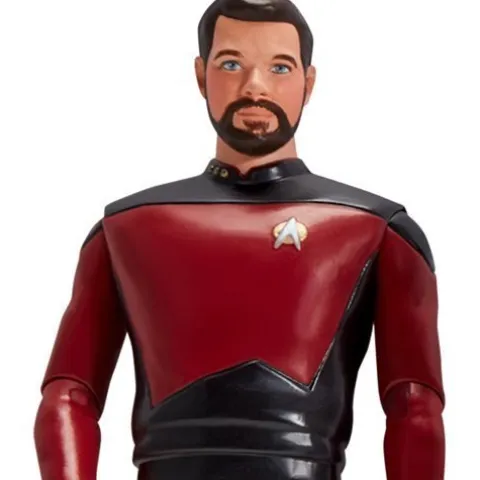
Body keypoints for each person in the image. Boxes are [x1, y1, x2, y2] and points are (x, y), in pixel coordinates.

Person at [34, 1, 446, 479]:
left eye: (279, 67)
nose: (255, 86)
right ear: (200, 75)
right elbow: (68, 397)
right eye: (231, 64)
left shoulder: (376, 230)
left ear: (308, 83)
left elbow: (415, 409)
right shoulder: (126, 229)